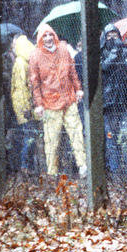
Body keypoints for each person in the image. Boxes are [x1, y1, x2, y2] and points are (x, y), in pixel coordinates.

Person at [29, 23, 86, 178]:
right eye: (44, 36)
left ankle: (83, 166)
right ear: (40, 39)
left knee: (77, 134)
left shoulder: (63, 49)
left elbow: (72, 71)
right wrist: (39, 104)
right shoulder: (35, 56)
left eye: (50, 35)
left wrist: (78, 88)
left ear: (55, 35)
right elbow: (35, 83)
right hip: (50, 103)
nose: (48, 38)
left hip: (68, 99)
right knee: (52, 140)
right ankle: (52, 172)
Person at [100, 23, 127, 177]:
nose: (112, 38)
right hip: (108, 103)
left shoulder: (126, 51)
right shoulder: (101, 53)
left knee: (126, 138)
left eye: (115, 34)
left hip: (124, 101)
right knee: (111, 138)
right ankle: (115, 171)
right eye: (109, 35)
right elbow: (104, 68)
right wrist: (113, 53)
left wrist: (121, 52)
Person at [9, 33, 42, 173]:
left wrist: (25, 108)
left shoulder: (20, 62)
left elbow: (21, 89)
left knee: (30, 137)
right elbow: (23, 89)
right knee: (30, 136)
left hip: (25, 108)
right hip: (27, 108)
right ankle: (26, 166)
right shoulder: (24, 62)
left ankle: (26, 166)